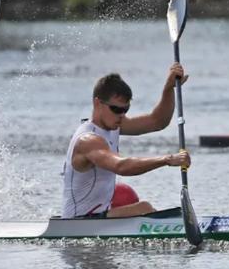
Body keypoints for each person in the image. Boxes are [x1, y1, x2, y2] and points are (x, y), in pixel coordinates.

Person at [61, 64, 192, 218]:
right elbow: (121, 166)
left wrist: (169, 88)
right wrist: (167, 159)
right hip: (80, 222)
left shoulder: (114, 125)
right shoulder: (89, 140)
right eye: (117, 110)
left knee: (127, 197)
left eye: (126, 110)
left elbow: (157, 121)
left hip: (99, 213)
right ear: (98, 103)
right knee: (144, 207)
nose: (122, 115)